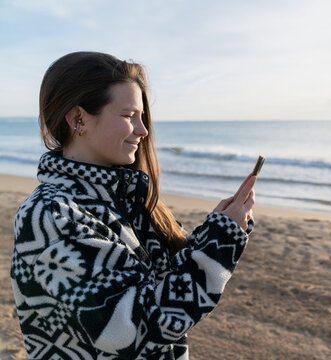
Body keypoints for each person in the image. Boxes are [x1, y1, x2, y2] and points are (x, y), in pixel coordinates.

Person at [10, 51, 256, 360]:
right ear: (78, 119)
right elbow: (131, 329)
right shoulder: (51, 214)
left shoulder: (127, 199)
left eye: (142, 117)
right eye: (129, 116)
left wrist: (217, 230)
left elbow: (166, 279)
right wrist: (220, 243)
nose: (143, 130)